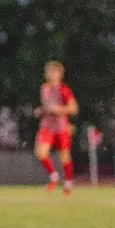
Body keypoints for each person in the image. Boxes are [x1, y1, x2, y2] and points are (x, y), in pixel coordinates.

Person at [33, 60, 79, 194]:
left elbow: (74, 108)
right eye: (48, 72)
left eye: (53, 72)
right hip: (47, 126)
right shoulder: (44, 88)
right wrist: (40, 110)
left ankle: (68, 184)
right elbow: (46, 107)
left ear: (60, 74)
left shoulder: (64, 90)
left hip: (60, 127)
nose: (50, 74)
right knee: (41, 153)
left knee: (64, 157)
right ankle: (53, 176)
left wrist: (58, 109)